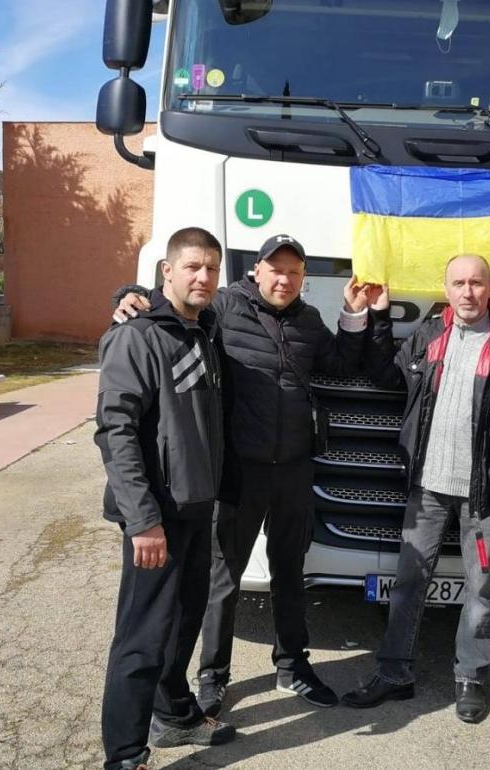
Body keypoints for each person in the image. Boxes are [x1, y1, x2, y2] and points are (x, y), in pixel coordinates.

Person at [114, 234, 372, 716]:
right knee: (223, 578)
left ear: (303, 279)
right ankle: (213, 676)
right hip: (239, 470)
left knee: (290, 571)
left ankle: (293, 666)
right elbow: (178, 304)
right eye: (276, 269)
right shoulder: (226, 308)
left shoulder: (309, 321)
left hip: (294, 468)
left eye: (294, 272)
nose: (285, 279)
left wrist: (354, 314)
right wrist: (130, 294)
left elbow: (341, 364)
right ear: (257, 271)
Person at [340, 254, 490, 723]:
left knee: (481, 589)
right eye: (459, 283)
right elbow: (387, 376)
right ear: (446, 287)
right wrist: (377, 317)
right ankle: (394, 672)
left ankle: (472, 678)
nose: (468, 292)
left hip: (486, 498)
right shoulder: (428, 336)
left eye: (476, 283)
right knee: (407, 584)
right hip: (427, 491)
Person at [95, 227, 235, 770]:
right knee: (141, 639)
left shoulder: (203, 331)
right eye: (193, 267)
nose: (203, 277)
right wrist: (143, 521)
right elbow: (116, 431)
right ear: (167, 272)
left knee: (182, 623)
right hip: (158, 515)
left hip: (198, 507)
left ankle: (175, 715)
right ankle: (125, 755)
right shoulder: (138, 337)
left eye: (212, 269)